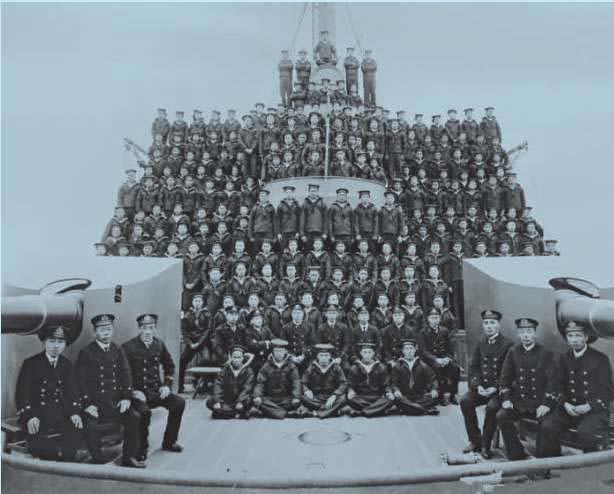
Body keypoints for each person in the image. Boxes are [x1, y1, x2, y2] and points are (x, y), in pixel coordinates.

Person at [76, 314, 144, 467]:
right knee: (90, 426)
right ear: (95, 332)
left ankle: (129, 457)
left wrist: (126, 398)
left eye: (108, 329)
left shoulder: (117, 350)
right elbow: (80, 381)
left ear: (112, 330)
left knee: (134, 417)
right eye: (102, 330)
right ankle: (97, 458)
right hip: (95, 404)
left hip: (115, 402)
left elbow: (126, 374)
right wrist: (87, 404)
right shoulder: (86, 352)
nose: (106, 333)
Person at [540, 320, 614, 456]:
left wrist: (589, 406)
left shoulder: (600, 359)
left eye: (578, 335)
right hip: (569, 408)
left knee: (587, 433)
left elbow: (607, 391)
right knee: (548, 426)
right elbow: (559, 385)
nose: (574, 340)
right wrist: (566, 404)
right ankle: (555, 463)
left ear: (586, 337)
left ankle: (591, 467)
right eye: (570, 336)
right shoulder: (564, 358)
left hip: (593, 411)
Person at [15, 325, 83, 462]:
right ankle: (56, 464)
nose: (56, 346)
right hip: (36, 414)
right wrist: (30, 416)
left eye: (60, 342)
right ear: (44, 342)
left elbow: (72, 392)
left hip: (59, 412)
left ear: (64, 345)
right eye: (52, 341)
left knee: (77, 432)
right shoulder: (31, 363)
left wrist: (74, 413)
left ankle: (66, 464)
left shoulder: (66, 364)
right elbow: (21, 395)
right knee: (39, 443)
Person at [123, 314, 185, 461]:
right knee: (144, 413)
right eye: (144, 328)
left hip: (155, 391)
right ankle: (141, 448)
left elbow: (170, 367)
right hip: (138, 394)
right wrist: (132, 392)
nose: (147, 331)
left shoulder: (159, 345)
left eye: (151, 328)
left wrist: (166, 386)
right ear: (139, 328)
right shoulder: (128, 347)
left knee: (179, 403)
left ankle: (169, 442)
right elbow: (122, 373)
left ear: (155, 329)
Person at [496, 318, 557, 460]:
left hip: (540, 402)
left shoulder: (545, 353)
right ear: (518, 334)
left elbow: (552, 381)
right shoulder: (513, 352)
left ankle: (542, 460)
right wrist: (506, 399)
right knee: (502, 416)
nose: (526, 335)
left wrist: (546, 404)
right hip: (520, 402)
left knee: (547, 425)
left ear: (535, 334)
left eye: (529, 332)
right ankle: (516, 453)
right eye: (522, 332)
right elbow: (505, 378)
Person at [460, 309, 513, 459]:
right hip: (482, 388)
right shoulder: (481, 342)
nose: (489, 326)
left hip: (499, 389)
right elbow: (474, 367)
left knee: (492, 407)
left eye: (492, 323)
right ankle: (475, 440)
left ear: (498, 325)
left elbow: (508, 373)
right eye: (486, 323)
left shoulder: (508, 344)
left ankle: (485, 444)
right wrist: (478, 386)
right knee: (465, 401)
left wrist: (495, 387)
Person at [251, 339, 302, 419]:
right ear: (273, 352)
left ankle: (271, 411)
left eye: (281, 351)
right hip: (270, 398)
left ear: (285, 352)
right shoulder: (266, 366)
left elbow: (296, 382)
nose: (278, 353)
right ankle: (286, 413)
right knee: (259, 401)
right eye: (276, 351)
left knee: (297, 401)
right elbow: (260, 383)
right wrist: (257, 396)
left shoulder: (291, 366)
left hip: (286, 398)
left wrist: (296, 397)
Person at [418, 308, 460, 405]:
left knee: (455, 368)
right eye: (432, 318)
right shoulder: (423, 332)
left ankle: (453, 394)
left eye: (436, 317)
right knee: (437, 368)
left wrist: (448, 359)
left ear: (439, 319)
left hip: (444, 358)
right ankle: (441, 395)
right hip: (430, 360)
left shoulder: (444, 330)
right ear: (428, 319)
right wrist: (436, 359)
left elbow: (450, 348)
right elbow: (423, 351)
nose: (435, 320)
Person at [391, 339, 440, 416]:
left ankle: (408, 408)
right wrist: (396, 390)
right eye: (406, 349)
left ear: (415, 350)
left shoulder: (423, 365)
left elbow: (432, 379)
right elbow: (394, 382)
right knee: (397, 399)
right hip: (404, 396)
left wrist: (434, 389)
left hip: (419, 396)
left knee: (434, 398)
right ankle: (423, 409)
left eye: (411, 348)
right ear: (403, 351)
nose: (409, 351)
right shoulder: (398, 366)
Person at [345, 342, 394, 417]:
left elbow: (386, 384)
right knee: (349, 399)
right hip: (361, 397)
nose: (367, 355)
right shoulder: (354, 368)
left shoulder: (381, 367)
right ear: (361, 353)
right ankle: (377, 410)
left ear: (373, 353)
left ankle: (361, 412)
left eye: (369, 352)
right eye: (365, 352)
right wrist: (350, 391)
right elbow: (350, 385)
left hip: (377, 397)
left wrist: (388, 392)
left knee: (391, 399)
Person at [207, 345, 255, 419]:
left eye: (239, 357)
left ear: (243, 358)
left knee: (250, 401)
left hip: (241, 399)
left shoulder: (248, 371)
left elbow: (247, 388)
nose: (236, 360)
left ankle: (225, 414)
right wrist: (217, 401)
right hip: (227, 400)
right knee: (210, 402)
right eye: (234, 357)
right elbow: (218, 385)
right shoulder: (224, 370)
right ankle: (237, 414)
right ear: (231, 358)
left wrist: (240, 401)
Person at [301, 343, 348, 418]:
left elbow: (343, 383)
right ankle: (332, 411)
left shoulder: (336, 367)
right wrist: (306, 390)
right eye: (321, 355)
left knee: (343, 398)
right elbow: (304, 382)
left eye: (326, 355)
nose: (324, 358)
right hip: (316, 397)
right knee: (303, 398)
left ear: (330, 356)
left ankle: (316, 413)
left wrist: (334, 395)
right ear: (317, 356)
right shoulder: (311, 368)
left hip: (331, 396)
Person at [179, 294, 211, 393]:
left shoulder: (207, 314)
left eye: (199, 301)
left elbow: (208, 330)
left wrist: (199, 342)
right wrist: (190, 343)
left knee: (206, 359)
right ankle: (179, 385)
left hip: (203, 342)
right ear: (192, 303)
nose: (198, 303)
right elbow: (184, 330)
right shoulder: (187, 315)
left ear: (202, 303)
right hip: (192, 342)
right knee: (182, 360)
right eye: (196, 301)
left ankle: (199, 382)